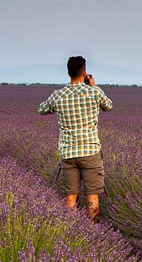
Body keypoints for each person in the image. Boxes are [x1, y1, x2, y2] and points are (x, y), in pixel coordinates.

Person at [38, 56, 113, 222]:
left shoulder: (58, 95)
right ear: (84, 72)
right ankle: (92, 230)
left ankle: (71, 232)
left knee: (70, 198)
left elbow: (41, 110)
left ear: (68, 73)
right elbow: (109, 106)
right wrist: (93, 86)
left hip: (68, 152)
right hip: (90, 151)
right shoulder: (94, 92)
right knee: (92, 197)